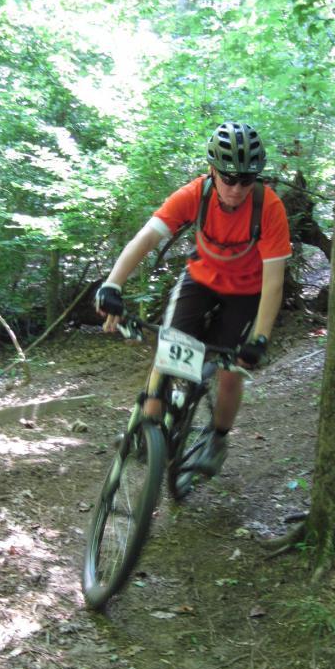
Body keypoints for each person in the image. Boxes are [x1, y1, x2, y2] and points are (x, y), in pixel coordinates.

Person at [95, 121, 291, 478]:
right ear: (212, 170)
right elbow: (145, 239)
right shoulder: (194, 195)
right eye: (228, 178)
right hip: (200, 281)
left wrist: (259, 338)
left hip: (248, 293)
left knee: (232, 373)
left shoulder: (269, 208)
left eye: (246, 180)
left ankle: (217, 438)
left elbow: (274, 283)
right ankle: (149, 426)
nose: (236, 188)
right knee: (171, 351)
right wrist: (112, 285)